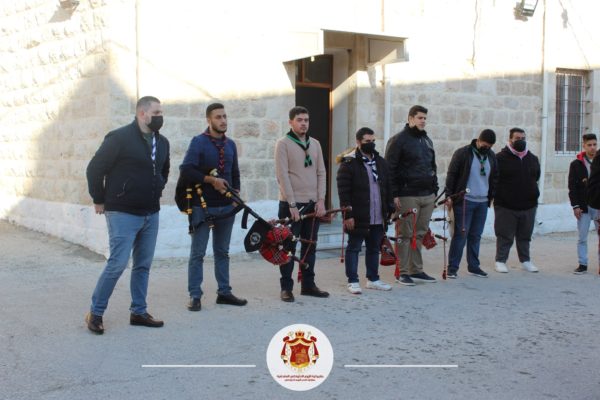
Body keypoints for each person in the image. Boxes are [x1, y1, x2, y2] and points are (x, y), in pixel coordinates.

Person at [85, 96, 170, 334]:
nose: (160, 117)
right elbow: (94, 169)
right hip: (122, 212)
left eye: (161, 112)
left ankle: (139, 312)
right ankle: (95, 313)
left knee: (143, 265)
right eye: (156, 112)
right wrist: (99, 199)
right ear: (142, 114)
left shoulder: (162, 142)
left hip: (151, 213)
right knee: (118, 264)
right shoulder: (119, 138)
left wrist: (156, 189)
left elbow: (164, 171)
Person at [180, 103, 247, 311]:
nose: (223, 120)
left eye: (225, 116)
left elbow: (234, 172)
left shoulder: (231, 144)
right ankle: (195, 295)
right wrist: (211, 180)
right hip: (202, 206)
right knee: (198, 253)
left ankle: (224, 292)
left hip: (227, 207)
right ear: (209, 120)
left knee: (222, 252)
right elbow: (186, 170)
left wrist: (235, 194)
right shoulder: (198, 142)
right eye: (218, 117)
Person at [275, 106, 328, 302]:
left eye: (306, 120)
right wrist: (291, 203)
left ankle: (308, 284)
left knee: (310, 246)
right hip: (291, 204)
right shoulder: (283, 144)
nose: (303, 123)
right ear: (291, 122)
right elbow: (282, 175)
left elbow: (321, 172)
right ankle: (286, 288)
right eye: (299, 120)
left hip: (312, 203)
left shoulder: (315, 144)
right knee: (288, 247)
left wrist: (321, 200)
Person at [384, 105, 438, 286]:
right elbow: (389, 169)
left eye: (425, 118)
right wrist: (393, 195)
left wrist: (434, 190)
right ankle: (402, 272)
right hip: (407, 195)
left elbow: (432, 165)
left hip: (427, 195)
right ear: (410, 118)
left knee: (420, 233)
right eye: (420, 117)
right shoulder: (398, 140)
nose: (423, 121)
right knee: (405, 234)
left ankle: (416, 269)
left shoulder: (427, 140)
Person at [336, 127, 393, 294]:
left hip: (377, 214)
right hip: (359, 214)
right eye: (368, 141)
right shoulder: (349, 163)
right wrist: (348, 214)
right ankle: (352, 280)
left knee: (374, 248)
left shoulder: (380, 162)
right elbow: (343, 191)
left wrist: (389, 207)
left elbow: (388, 186)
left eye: (373, 141)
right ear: (358, 142)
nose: (371, 144)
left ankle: (373, 279)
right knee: (354, 247)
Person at [444, 129, 499, 278]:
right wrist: (449, 195)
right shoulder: (463, 153)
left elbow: (495, 177)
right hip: (465, 201)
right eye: (485, 145)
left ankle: (474, 267)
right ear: (478, 140)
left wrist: (492, 196)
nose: (486, 148)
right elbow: (452, 175)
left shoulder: (491, 156)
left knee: (476, 235)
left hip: (482, 202)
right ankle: (452, 268)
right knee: (460, 235)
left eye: (490, 146)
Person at [493, 127, 540, 273]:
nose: (520, 141)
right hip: (506, 206)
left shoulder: (532, 159)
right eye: (517, 139)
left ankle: (525, 261)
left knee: (525, 236)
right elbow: (494, 179)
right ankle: (500, 261)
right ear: (510, 140)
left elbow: (536, 177)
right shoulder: (499, 158)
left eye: (523, 139)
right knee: (504, 235)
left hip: (528, 205)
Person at [568, 133, 598, 274]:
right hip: (583, 206)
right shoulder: (576, 164)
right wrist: (576, 206)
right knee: (582, 237)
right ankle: (583, 264)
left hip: (598, 206)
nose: (592, 148)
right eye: (589, 145)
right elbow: (572, 187)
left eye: (595, 144)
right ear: (584, 146)